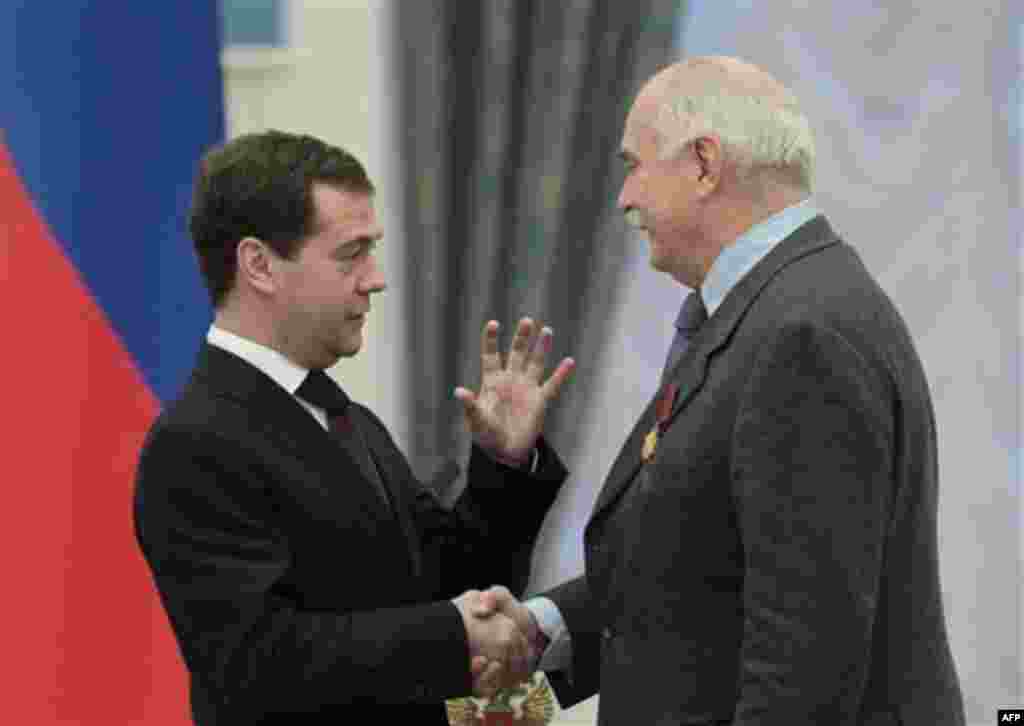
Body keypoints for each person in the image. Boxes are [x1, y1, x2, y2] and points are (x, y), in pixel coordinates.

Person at [477, 56, 966, 725]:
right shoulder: (768, 309)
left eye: (634, 164)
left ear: (704, 164)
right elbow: (698, 566)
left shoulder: (802, 333)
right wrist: (545, 627)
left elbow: (802, 660)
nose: (624, 198)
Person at [133, 130, 574, 725]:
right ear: (259, 265)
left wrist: (504, 466)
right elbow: (258, 659)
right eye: (351, 254)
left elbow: (446, 579)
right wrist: (452, 631)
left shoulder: (344, 416)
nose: (375, 278)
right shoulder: (195, 443)